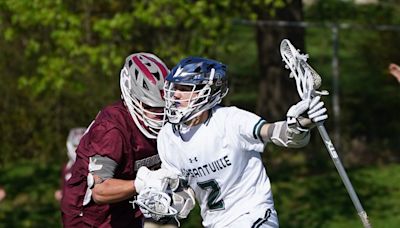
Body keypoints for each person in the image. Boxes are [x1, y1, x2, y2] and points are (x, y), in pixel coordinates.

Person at [156, 57, 328, 227]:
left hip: (254, 216)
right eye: (174, 87)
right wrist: (164, 201)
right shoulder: (167, 137)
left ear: (206, 91)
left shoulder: (230, 120)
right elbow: (185, 192)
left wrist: (299, 124)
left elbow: (271, 131)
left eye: (184, 88)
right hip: (215, 224)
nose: (175, 94)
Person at [61, 53, 178, 227]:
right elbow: (100, 191)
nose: (159, 115)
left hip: (128, 211)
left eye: (163, 107)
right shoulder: (112, 130)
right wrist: (142, 183)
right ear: (132, 97)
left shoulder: (168, 122)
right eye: (150, 106)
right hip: (90, 219)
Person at [55, 127, 87, 202]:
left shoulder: (89, 167)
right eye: (75, 146)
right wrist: (61, 193)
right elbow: (64, 186)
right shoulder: (67, 167)